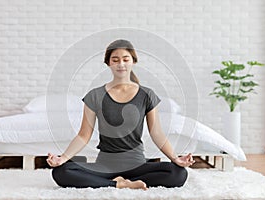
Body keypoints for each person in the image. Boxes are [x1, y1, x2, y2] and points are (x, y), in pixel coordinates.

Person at [46, 39, 195, 190]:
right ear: (108, 63)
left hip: (137, 165)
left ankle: (122, 182)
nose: (121, 64)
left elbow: (156, 133)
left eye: (125, 59)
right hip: (105, 166)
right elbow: (84, 134)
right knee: (61, 171)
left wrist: (175, 158)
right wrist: (62, 158)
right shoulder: (95, 95)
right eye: (115, 60)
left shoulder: (146, 94)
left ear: (133, 62)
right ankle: (118, 184)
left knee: (178, 173)